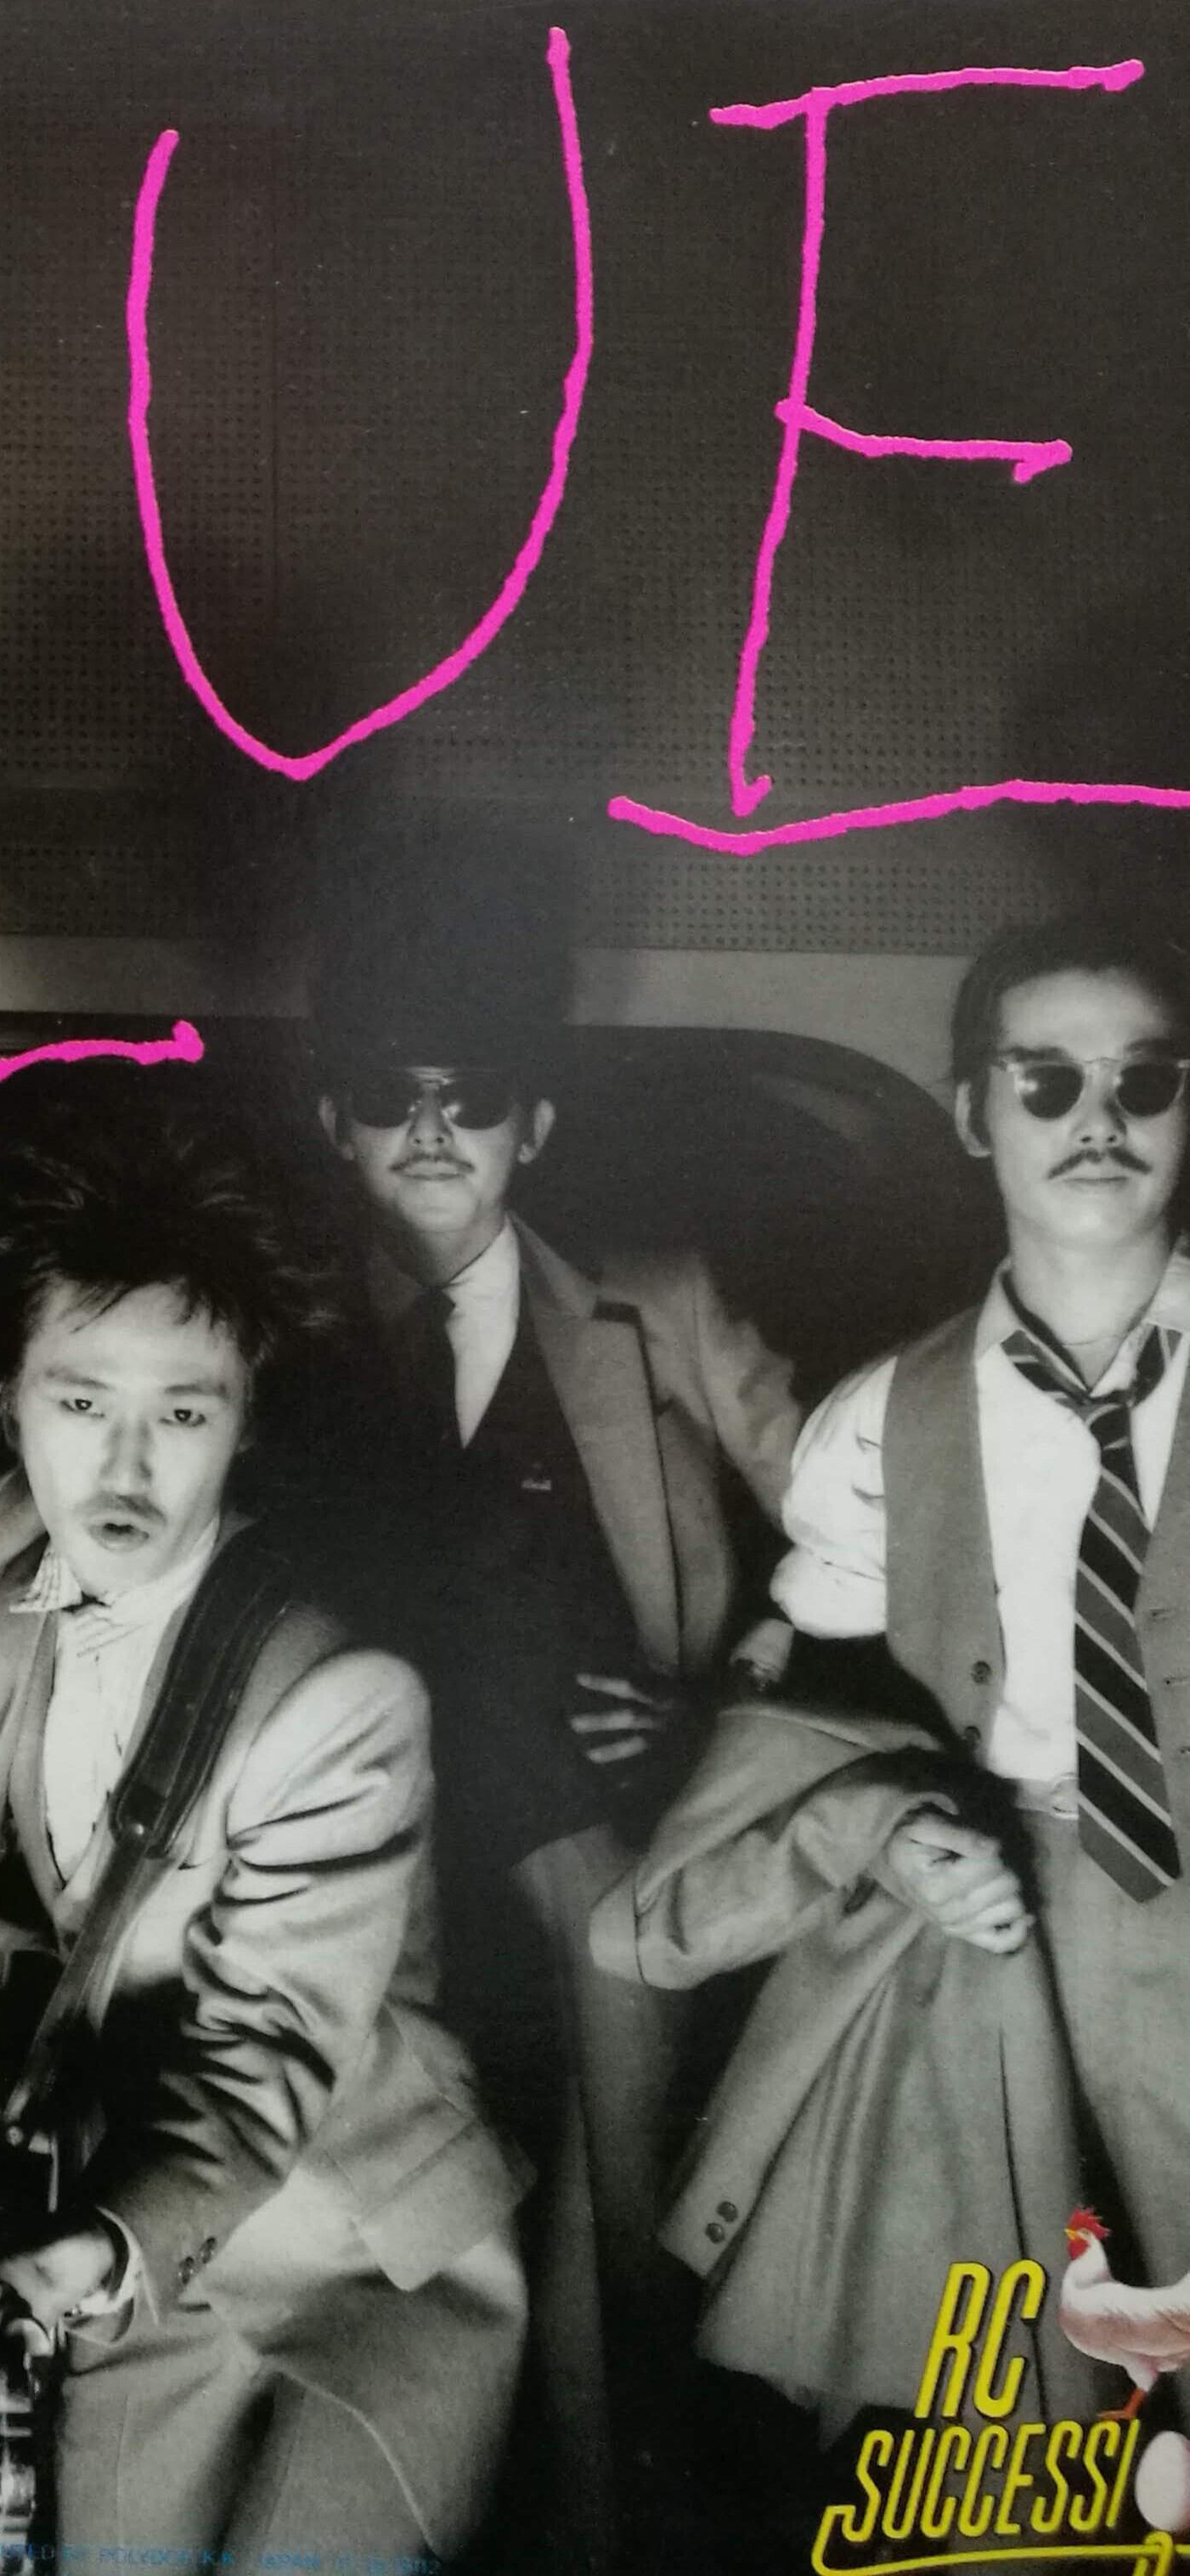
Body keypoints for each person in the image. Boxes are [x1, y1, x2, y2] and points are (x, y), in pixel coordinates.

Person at [0, 1114, 527, 2568]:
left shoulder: (339, 1696)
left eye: (183, 1412)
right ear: (9, 1400)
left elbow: (258, 2060)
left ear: (245, 1420)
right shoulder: (0, 1554)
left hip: (359, 2255)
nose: (122, 1466)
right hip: (129, 2232)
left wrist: (90, 2254)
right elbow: (3, 1866)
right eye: (79, 1400)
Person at [595, 910, 1190, 2432]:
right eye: (1046, 1080)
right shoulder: (879, 1424)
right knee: (1042, 2414)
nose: (1101, 1118)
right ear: (973, 1110)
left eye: (1145, 1077)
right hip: (1008, 1930)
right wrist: (888, 1829)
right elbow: (809, 1695)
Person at [291, 957, 800, 2565]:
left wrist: (725, 1706)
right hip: (363, 1878)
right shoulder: (278, 1332)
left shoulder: (663, 1302)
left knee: (620, 2263)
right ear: (337, 1123)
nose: (434, 1127)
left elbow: (878, 1529)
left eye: (477, 1093)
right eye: (392, 1094)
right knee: (399, 2270)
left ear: (540, 1123)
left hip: (610, 1855)